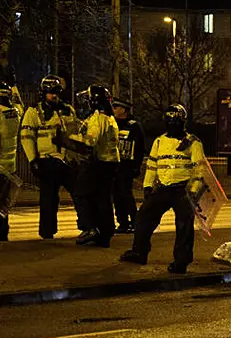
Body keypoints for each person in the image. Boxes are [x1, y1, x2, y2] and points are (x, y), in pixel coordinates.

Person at [120, 105, 204, 273]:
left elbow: (199, 170)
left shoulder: (193, 142)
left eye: (176, 122)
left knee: (183, 225)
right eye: (169, 121)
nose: (172, 125)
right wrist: (147, 186)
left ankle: (181, 261)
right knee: (143, 216)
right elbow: (152, 166)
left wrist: (194, 191)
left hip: (183, 189)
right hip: (163, 188)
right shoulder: (159, 141)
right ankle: (139, 252)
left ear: (182, 123)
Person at [19, 75, 78, 239]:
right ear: (43, 93)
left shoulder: (67, 110)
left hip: (66, 161)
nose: (54, 96)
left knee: (79, 192)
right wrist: (33, 160)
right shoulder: (34, 111)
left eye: (57, 93)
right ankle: (47, 232)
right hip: (46, 161)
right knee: (48, 198)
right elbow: (26, 137)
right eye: (51, 93)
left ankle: (86, 226)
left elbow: (75, 134)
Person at [69, 85, 120, 247]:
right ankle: (105, 233)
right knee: (103, 198)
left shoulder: (98, 119)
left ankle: (89, 227)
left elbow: (90, 142)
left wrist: (68, 138)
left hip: (98, 163)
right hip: (110, 163)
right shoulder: (110, 118)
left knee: (81, 194)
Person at [111, 99, 145, 234]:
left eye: (115, 107)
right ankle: (122, 222)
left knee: (125, 194)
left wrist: (136, 166)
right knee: (116, 195)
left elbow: (140, 147)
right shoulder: (111, 124)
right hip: (114, 165)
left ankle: (134, 221)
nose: (113, 109)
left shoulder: (134, 126)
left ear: (123, 110)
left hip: (127, 166)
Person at [0, 79, 24, 241]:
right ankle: (3, 235)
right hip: (10, 165)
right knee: (3, 206)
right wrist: (15, 87)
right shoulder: (14, 112)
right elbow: (20, 104)